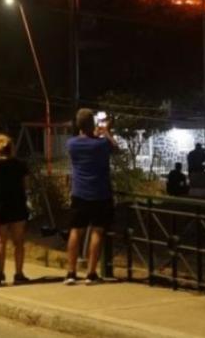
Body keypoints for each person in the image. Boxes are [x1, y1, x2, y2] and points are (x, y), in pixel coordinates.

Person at [65, 108, 120, 285]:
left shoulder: (71, 144)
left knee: (75, 231)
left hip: (79, 193)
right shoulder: (101, 144)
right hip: (100, 193)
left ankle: (71, 272)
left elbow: (87, 140)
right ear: (92, 124)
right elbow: (115, 148)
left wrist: (96, 133)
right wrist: (106, 131)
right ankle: (90, 273)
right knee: (97, 231)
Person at [0, 133, 30, 285]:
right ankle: (19, 273)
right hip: (17, 204)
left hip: (1, 205)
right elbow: (26, 185)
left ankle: (0, 273)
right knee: (19, 242)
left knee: (1, 242)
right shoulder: (20, 165)